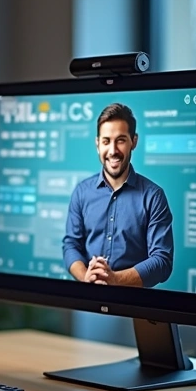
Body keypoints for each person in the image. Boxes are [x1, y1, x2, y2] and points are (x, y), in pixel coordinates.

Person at [61, 103, 173, 288]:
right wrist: (86, 279)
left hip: (136, 307)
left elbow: (162, 261)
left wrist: (114, 280)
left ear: (133, 141)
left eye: (120, 140)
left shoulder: (154, 197)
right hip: (88, 302)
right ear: (97, 144)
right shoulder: (81, 192)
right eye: (106, 141)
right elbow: (71, 245)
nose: (113, 150)